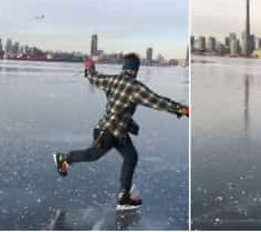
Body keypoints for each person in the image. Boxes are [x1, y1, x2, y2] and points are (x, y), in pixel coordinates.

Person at [53, 53, 189, 208]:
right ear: (135, 70)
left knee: (131, 157)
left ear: (124, 67)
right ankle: (64, 159)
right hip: (108, 132)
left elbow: (94, 78)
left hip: (118, 132)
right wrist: (181, 109)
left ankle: (124, 196)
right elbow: (157, 101)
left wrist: (90, 68)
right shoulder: (135, 87)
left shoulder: (112, 80)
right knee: (92, 155)